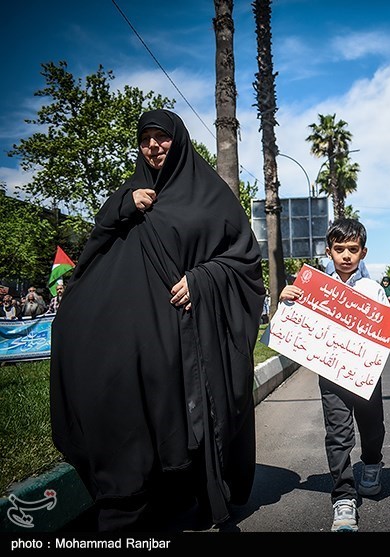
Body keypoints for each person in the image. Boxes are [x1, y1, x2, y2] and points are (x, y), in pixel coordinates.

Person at [49, 109, 265, 532]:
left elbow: (244, 260)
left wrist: (203, 279)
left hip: (189, 337)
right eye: (145, 138)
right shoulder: (129, 195)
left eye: (161, 137)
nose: (153, 145)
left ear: (178, 140)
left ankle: (194, 495)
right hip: (138, 339)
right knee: (136, 416)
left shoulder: (212, 195)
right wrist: (121, 207)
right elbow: (94, 252)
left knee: (188, 420)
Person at [278, 218, 390, 532]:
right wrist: (286, 298)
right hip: (331, 375)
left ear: (363, 252)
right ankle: (344, 497)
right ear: (328, 251)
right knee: (338, 434)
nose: (346, 255)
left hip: (365, 376)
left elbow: (385, 328)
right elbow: (295, 317)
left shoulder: (373, 289)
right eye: (339, 249)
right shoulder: (315, 286)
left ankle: (372, 463)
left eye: (352, 249)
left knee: (372, 427)